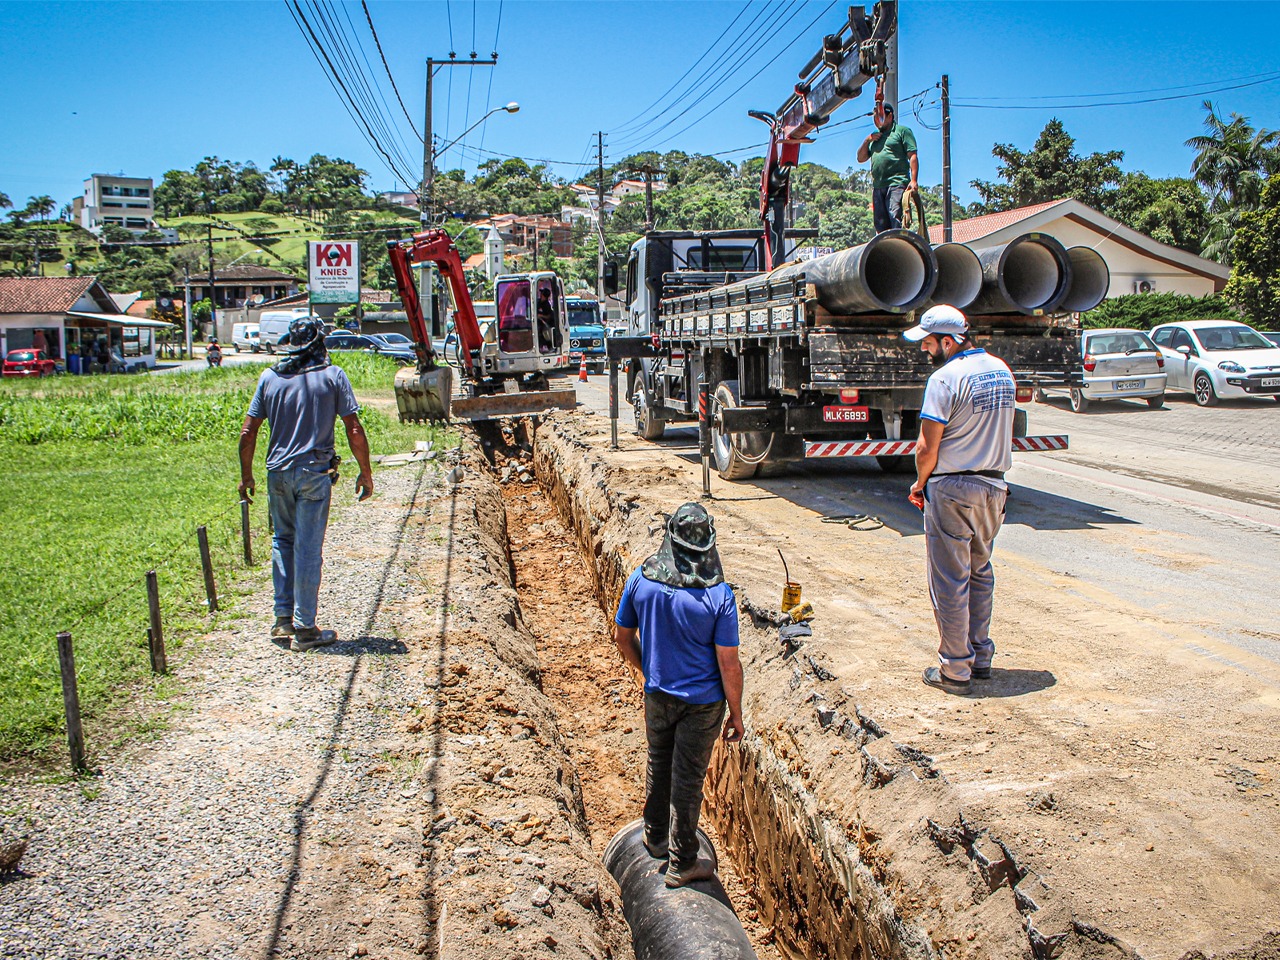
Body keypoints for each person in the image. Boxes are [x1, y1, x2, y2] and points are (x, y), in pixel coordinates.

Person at [613, 503, 745, 888]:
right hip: (702, 705)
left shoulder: (642, 580)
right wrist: (735, 714)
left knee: (659, 762)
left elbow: (622, 638)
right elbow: (729, 665)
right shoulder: (719, 598)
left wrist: (648, 671)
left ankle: (654, 835)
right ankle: (683, 861)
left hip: (657, 693)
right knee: (687, 779)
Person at [238, 316, 374, 652]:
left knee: (282, 540)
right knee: (308, 549)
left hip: (277, 475)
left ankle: (282, 617)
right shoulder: (332, 376)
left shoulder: (270, 378)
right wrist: (365, 471)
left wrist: (246, 476)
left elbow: (248, 432)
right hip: (313, 473)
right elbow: (353, 428)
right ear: (319, 344)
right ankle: (305, 628)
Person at [904, 305, 1015, 695]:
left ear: (948, 341)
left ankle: (954, 670)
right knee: (980, 572)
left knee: (950, 581)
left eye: (929, 343)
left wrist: (920, 484)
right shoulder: (1002, 371)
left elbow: (926, 447)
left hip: (952, 488)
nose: (925, 350)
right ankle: (980, 657)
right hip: (994, 487)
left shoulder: (944, 379)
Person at [856, 102, 919, 233]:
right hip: (879, 186)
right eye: (875, 117)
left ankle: (897, 246)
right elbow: (860, 158)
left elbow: (912, 156)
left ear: (890, 116)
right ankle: (884, 247)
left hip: (896, 183)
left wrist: (913, 180)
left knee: (894, 217)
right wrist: (867, 140)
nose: (877, 120)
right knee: (880, 224)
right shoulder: (874, 137)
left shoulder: (902, 131)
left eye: (880, 116)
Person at [536, 286, 557, 354]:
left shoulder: (547, 305)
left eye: (542, 293)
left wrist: (540, 316)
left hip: (544, 323)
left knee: (543, 333)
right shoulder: (538, 302)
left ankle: (548, 347)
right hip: (536, 322)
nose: (540, 294)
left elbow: (549, 316)